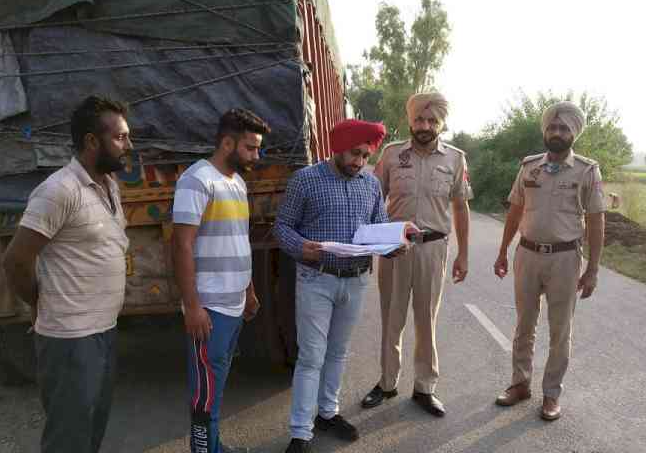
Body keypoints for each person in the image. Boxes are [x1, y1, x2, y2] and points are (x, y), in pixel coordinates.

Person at [3, 95, 133, 453]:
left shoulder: (108, 185)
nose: (128, 145)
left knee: (91, 428)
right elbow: (15, 261)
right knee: (69, 436)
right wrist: (41, 303)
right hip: (70, 338)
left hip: (102, 330)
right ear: (92, 141)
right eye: (120, 137)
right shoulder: (59, 190)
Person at [274, 119, 391, 453]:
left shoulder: (370, 184)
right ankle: (300, 433)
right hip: (316, 278)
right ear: (338, 147)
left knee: (338, 352)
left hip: (355, 281)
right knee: (312, 356)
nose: (359, 162)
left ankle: (328, 412)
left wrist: (394, 242)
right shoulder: (306, 180)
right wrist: (300, 246)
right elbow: (282, 227)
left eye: (365, 156)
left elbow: (379, 226)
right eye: (355, 153)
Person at [493, 101, 606, 421]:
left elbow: (596, 221)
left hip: (565, 259)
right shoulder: (529, 167)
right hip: (527, 254)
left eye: (564, 128)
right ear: (545, 131)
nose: (557, 132)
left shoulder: (587, 170)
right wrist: (502, 251)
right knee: (523, 325)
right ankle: (519, 384)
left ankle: (552, 394)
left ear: (574, 134)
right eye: (552, 127)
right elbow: (515, 209)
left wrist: (593, 270)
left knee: (560, 330)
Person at [361, 92, 472, 417]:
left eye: (431, 121)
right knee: (391, 318)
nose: (424, 126)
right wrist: (368, 244)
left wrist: (463, 254)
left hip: (433, 248)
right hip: (395, 249)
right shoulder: (392, 155)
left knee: (426, 320)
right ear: (409, 121)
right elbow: (371, 199)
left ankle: (425, 387)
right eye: (419, 120)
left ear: (442, 124)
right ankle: (386, 383)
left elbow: (461, 207)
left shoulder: (455, 159)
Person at [171, 108, 270, 453]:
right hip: (209, 310)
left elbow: (239, 241)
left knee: (216, 388)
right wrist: (193, 307)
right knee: (203, 396)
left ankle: (214, 448)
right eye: (250, 147)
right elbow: (181, 243)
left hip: (234, 306)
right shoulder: (197, 179)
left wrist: (250, 290)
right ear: (227, 143)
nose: (256, 156)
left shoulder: (237, 183)